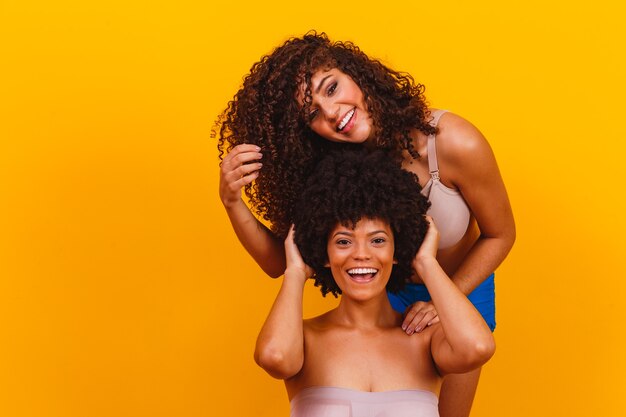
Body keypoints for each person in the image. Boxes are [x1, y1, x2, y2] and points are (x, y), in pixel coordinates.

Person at [215, 32, 515, 417]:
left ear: (358, 74)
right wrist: (231, 201)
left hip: (459, 288)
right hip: (376, 292)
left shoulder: (453, 142)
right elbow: (280, 263)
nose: (332, 112)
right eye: (312, 114)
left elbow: (501, 233)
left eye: (332, 87)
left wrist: (444, 300)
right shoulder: (330, 169)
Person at [255, 149, 496, 417]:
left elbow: (478, 347)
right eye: (344, 241)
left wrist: (426, 262)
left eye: (378, 240)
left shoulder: (425, 340)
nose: (361, 253)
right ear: (324, 254)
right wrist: (296, 272)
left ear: (398, 251)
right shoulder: (304, 340)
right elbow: (274, 357)